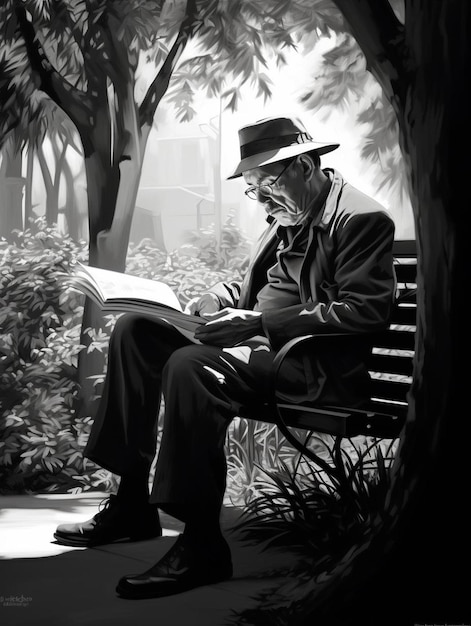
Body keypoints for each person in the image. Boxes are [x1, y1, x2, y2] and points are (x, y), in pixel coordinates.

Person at [54, 116, 396, 599]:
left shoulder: (361, 218)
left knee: (190, 366)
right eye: (253, 190)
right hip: (257, 350)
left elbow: (365, 310)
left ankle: (201, 546)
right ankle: (132, 503)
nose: (263, 200)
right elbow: (256, 285)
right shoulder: (288, 212)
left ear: (303, 165)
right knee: (137, 332)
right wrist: (220, 293)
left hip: (310, 367)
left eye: (268, 185)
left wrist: (257, 324)